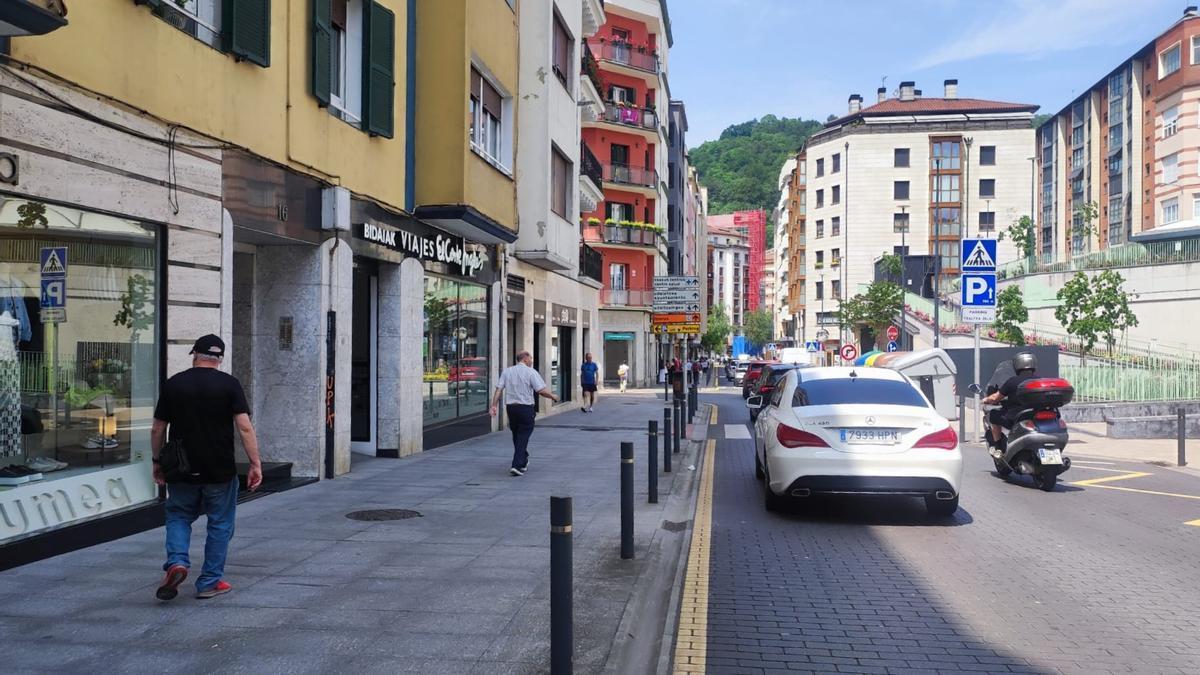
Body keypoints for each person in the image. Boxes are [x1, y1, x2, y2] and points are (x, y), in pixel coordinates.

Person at [152, 334, 261, 602]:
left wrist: (157, 462)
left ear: (195, 355)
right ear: (220, 358)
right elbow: (245, 427)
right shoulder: (230, 384)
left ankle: (177, 562)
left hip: (180, 467)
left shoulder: (175, 384)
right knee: (220, 524)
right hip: (219, 468)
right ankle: (209, 582)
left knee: (178, 515)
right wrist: (255, 463)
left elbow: (157, 428)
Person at [490, 351, 559, 476]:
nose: (532, 360)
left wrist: (494, 405)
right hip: (525, 408)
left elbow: (499, 388)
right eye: (531, 358)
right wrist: (553, 396)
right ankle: (516, 465)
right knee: (523, 435)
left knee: (517, 434)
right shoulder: (531, 372)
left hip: (511, 408)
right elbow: (540, 390)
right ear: (525, 358)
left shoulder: (507, 371)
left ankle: (523, 460)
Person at [982, 351, 1039, 449]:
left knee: (993, 415)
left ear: (1017, 365)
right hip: (1036, 415)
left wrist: (985, 399)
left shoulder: (1012, 381)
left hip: (1017, 417)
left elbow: (995, 398)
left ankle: (998, 445)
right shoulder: (1039, 380)